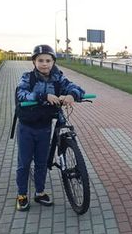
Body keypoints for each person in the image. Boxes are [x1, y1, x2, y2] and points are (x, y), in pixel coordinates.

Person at [15, 45, 85, 211]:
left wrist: (71, 95)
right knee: (24, 163)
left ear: (53, 62)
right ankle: (22, 194)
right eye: (40, 60)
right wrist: (42, 96)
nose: (44, 64)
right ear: (34, 62)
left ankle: (40, 192)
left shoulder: (58, 77)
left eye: (48, 60)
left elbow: (75, 87)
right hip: (27, 126)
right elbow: (21, 94)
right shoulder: (28, 77)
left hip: (45, 126)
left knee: (41, 162)